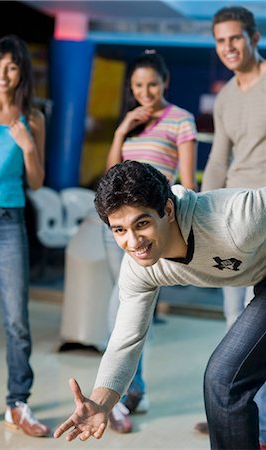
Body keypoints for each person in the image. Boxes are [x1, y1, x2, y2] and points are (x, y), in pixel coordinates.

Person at [54, 160, 266, 450]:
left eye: (142, 223)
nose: (133, 242)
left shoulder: (235, 218)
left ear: (167, 210)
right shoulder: (140, 267)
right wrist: (101, 403)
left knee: (223, 378)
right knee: (224, 383)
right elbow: (126, 341)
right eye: (119, 230)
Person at [103, 50, 198, 433]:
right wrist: (122, 130)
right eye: (138, 86)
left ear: (165, 82)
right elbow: (110, 175)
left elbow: (187, 183)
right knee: (126, 310)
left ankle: (121, 398)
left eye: (152, 84)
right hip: (118, 228)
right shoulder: (131, 122)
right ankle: (133, 389)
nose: (145, 92)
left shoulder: (181, 119)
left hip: (152, 229)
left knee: (122, 311)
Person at [0, 35, 50, 437]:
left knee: (17, 318)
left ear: (21, 74)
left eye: (12, 65)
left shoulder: (32, 118)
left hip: (8, 220)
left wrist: (27, 146)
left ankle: (18, 403)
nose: (2, 71)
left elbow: (36, 182)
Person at [198, 6, 266, 443]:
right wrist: (201, 216)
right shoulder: (224, 97)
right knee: (234, 325)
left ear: (254, 36)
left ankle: (260, 426)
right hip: (232, 216)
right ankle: (234, 412)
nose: (228, 48)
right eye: (220, 41)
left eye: (235, 38)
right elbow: (218, 161)